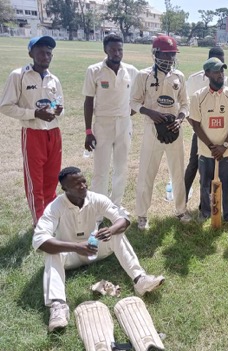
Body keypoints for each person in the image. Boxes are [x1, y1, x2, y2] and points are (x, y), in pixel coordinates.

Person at [32, 167, 165, 332]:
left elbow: (123, 218)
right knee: (51, 252)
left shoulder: (95, 198)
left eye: (83, 181)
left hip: (94, 249)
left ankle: (140, 279)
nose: (83, 186)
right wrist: (76, 247)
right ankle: (58, 306)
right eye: (76, 184)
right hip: (70, 255)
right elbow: (39, 240)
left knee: (117, 235)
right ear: (65, 189)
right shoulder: (55, 206)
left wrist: (111, 229)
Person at [0, 36, 64, 226]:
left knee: (52, 179)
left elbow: (60, 105)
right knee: (35, 181)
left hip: (54, 133)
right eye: (41, 52)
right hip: (33, 133)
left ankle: (50, 218)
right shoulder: (18, 75)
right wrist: (34, 113)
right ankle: (39, 223)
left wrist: (59, 110)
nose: (46, 56)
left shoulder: (54, 79)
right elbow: (5, 106)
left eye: (49, 52)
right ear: (31, 53)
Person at [130, 35, 191, 230]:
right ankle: (142, 215)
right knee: (147, 173)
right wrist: (150, 112)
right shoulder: (143, 75)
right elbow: (133, 102)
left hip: (174, 129)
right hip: (152, 130)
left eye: (173, 55)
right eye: (167, 54)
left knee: (178, 172)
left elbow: (186, 104)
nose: (170, 58)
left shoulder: (178, 76)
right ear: (155, 53)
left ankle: (181, 210)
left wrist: (181, 119)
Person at [82, 33, 138, 211]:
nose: (117, 53)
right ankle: (98, 210)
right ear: (105, 50)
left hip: (124, 124)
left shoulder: (131, 71)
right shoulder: (94, 70)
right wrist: (88, 131)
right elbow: (88, 101)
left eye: (120, 49)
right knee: (101, 170)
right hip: (102, 124)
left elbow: (139, 97)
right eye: (113, 49)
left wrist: (128, 113)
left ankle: (116, 206)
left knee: (121, 168)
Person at [190, 57, 228, 226]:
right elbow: (196, 125)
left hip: (226, 151)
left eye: (222, 71)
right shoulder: (198, 97)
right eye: (217, 71)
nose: (221, 74)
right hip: (206, 151)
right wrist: (212, 147)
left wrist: (224, 145)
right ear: (207, 74)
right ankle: (205, 213)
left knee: (227, 184)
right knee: (205, 183)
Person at [184, 47, 228, 203]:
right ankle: (182, 198)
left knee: (214, 169)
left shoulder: (225, 78)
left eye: (223, 61)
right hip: (200, 132)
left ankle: (210, 203)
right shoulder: (194, 79)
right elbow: (188, 108)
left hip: (218, 132)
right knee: (194, 164)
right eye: (218, 61)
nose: (221, 65)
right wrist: (198, 129)